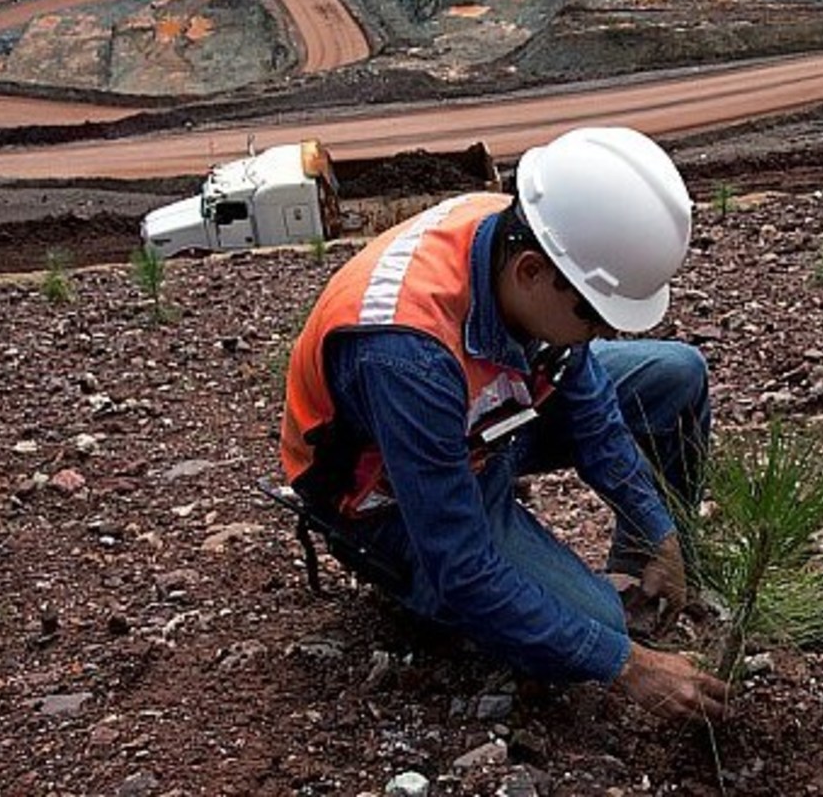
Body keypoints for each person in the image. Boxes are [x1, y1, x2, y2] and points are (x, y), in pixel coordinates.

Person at [279, 126, 728, 721]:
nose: (607, 333)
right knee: (594, 630)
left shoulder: (529, 232)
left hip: (485, 419)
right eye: (595, 317)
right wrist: (626, 664)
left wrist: (656, 527)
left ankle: (643, 572)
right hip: (387, 495)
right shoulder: (403, 351)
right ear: (530, 272)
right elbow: (461, 566)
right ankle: (413, 587)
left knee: (676, 374)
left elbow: (585, 397)